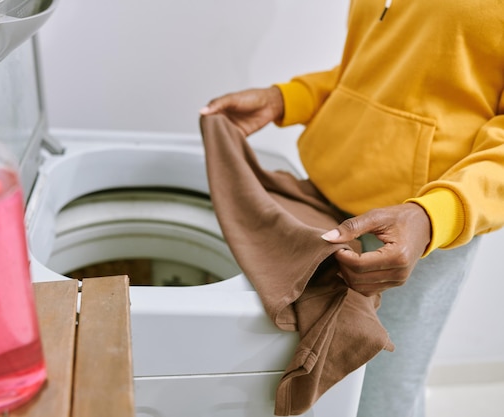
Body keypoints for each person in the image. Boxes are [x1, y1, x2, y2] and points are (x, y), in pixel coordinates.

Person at [199, 1, 504, 416]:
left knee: (379, 395)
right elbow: (375, 70)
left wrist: (432, 216)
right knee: (326, 386)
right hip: (323, 202)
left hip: (412, 236)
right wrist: (288, 98)